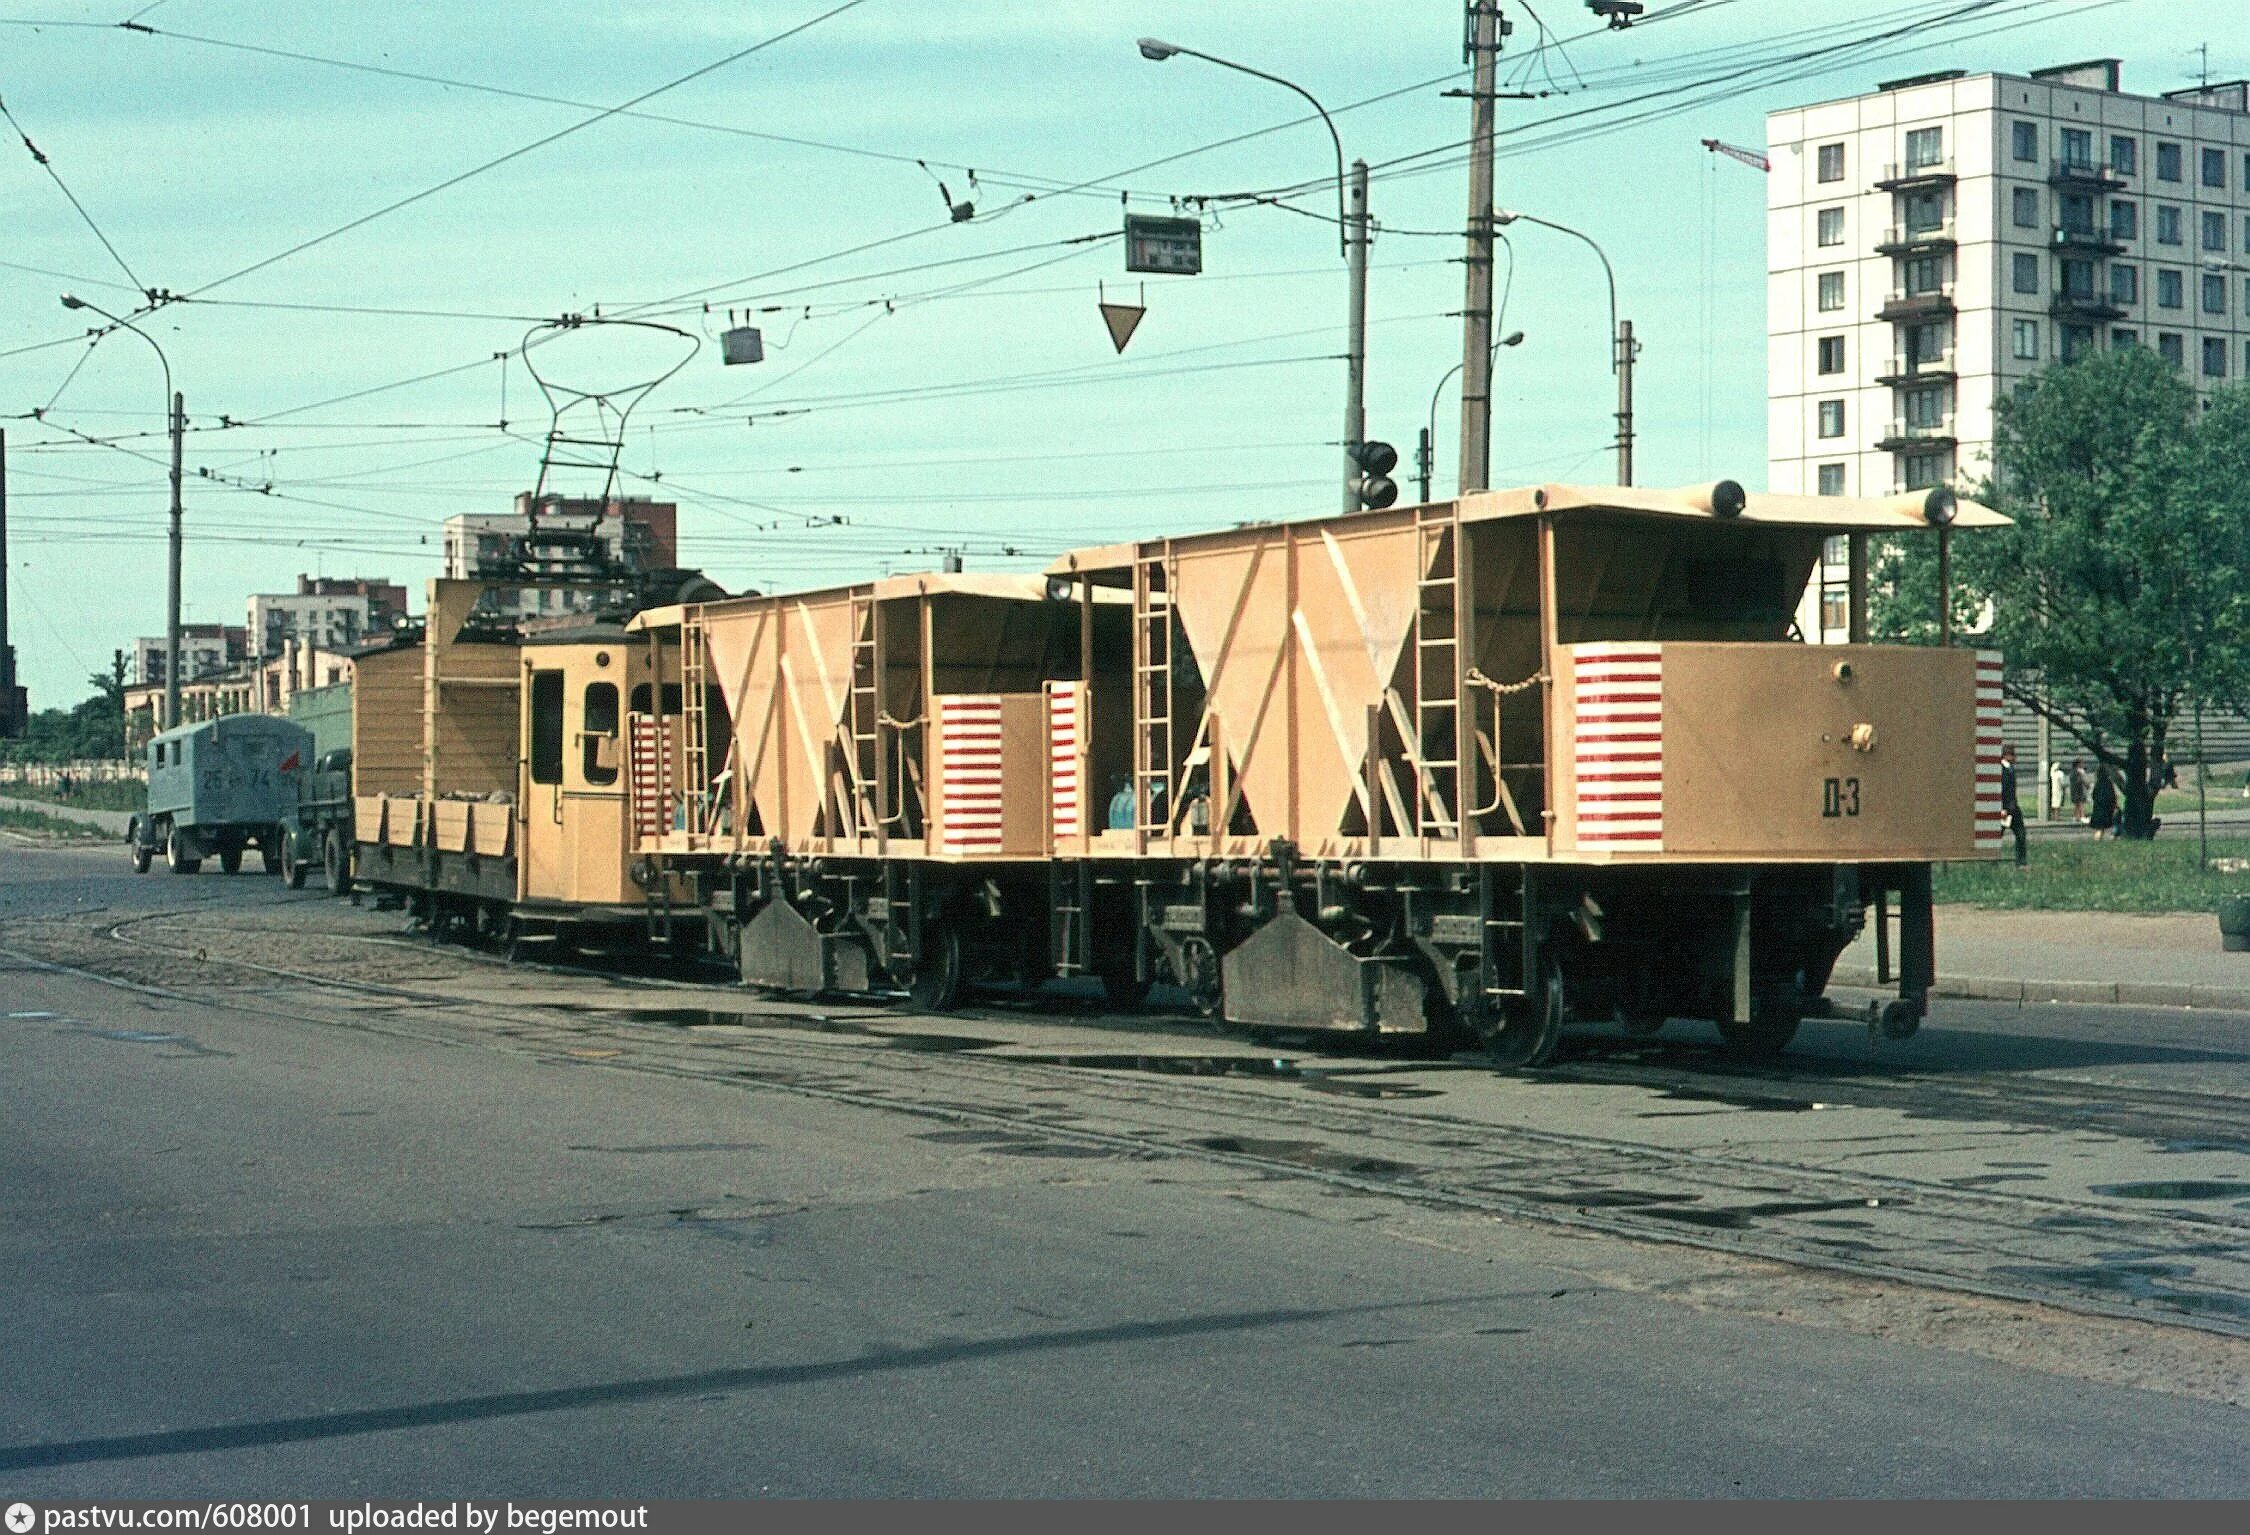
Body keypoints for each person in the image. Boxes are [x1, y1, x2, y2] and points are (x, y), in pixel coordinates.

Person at [1998, 743, 2027, 867]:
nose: (2015, 758)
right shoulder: (2000, 770)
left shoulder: (2010, 769)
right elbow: (2000, 789)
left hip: (2013, 808)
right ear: (2006, 755)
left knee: (2021, 834)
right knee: (1997, 835)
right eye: (2013, 755)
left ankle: (2021, 861)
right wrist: (2001, 808)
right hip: (2005, 808)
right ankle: (1992, 859)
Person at [2089, 763, 2118, 840]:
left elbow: (2094, 795)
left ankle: (2098, 838)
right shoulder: (2108, 783)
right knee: (2103, 827)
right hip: (2106, 808)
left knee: (2099, 828)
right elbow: (2112, 796)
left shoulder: (2098, 783)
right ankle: (2101, 838)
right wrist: (2114, 805)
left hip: (2098, 807)